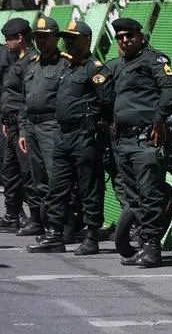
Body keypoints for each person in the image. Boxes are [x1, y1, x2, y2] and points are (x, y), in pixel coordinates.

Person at [105, 16, 172, 267]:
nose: (125, 41)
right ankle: (146, 242)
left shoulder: (154, 60)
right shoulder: (118, 65)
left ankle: (152, 247)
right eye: (120, 38)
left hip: (146, 138)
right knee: (133, 197)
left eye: (130, 36)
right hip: (123, 141)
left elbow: (170, 88)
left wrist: (159, 120)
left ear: (141, 36)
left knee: (150, 195)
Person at [27, 21, 108, 255]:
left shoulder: (95, 69)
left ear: (86, 40)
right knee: (57, 187)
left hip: (85, 136)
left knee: (89, 187)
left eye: (72, 38)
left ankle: (91, 236)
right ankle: (55, 233)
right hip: (63, 135)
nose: (67, 42)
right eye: (66, 39)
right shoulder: (68, 67)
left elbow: (107, 103)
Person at [19, 16, 66, 241]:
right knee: (38, 179)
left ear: (56, 37)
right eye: (38, 37)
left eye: (46, 37)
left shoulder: (64, 64)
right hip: (32, 126)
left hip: (52, 126)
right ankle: (44, 223)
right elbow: (23, 99)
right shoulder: (32, 64)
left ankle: (61, 226)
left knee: (55, 177)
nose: (42, 41)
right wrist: (22, 130)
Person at [0, 18, 33, 232]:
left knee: (27, 172)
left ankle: (37, 218)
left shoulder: (32, 61)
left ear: (19, 38)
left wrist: (22, 126)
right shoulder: (14, 58)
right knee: (9, 170)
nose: (5, 43)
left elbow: (27, 97)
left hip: (23, 123)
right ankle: (12, 213)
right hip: (10, 122)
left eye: (8, 39)